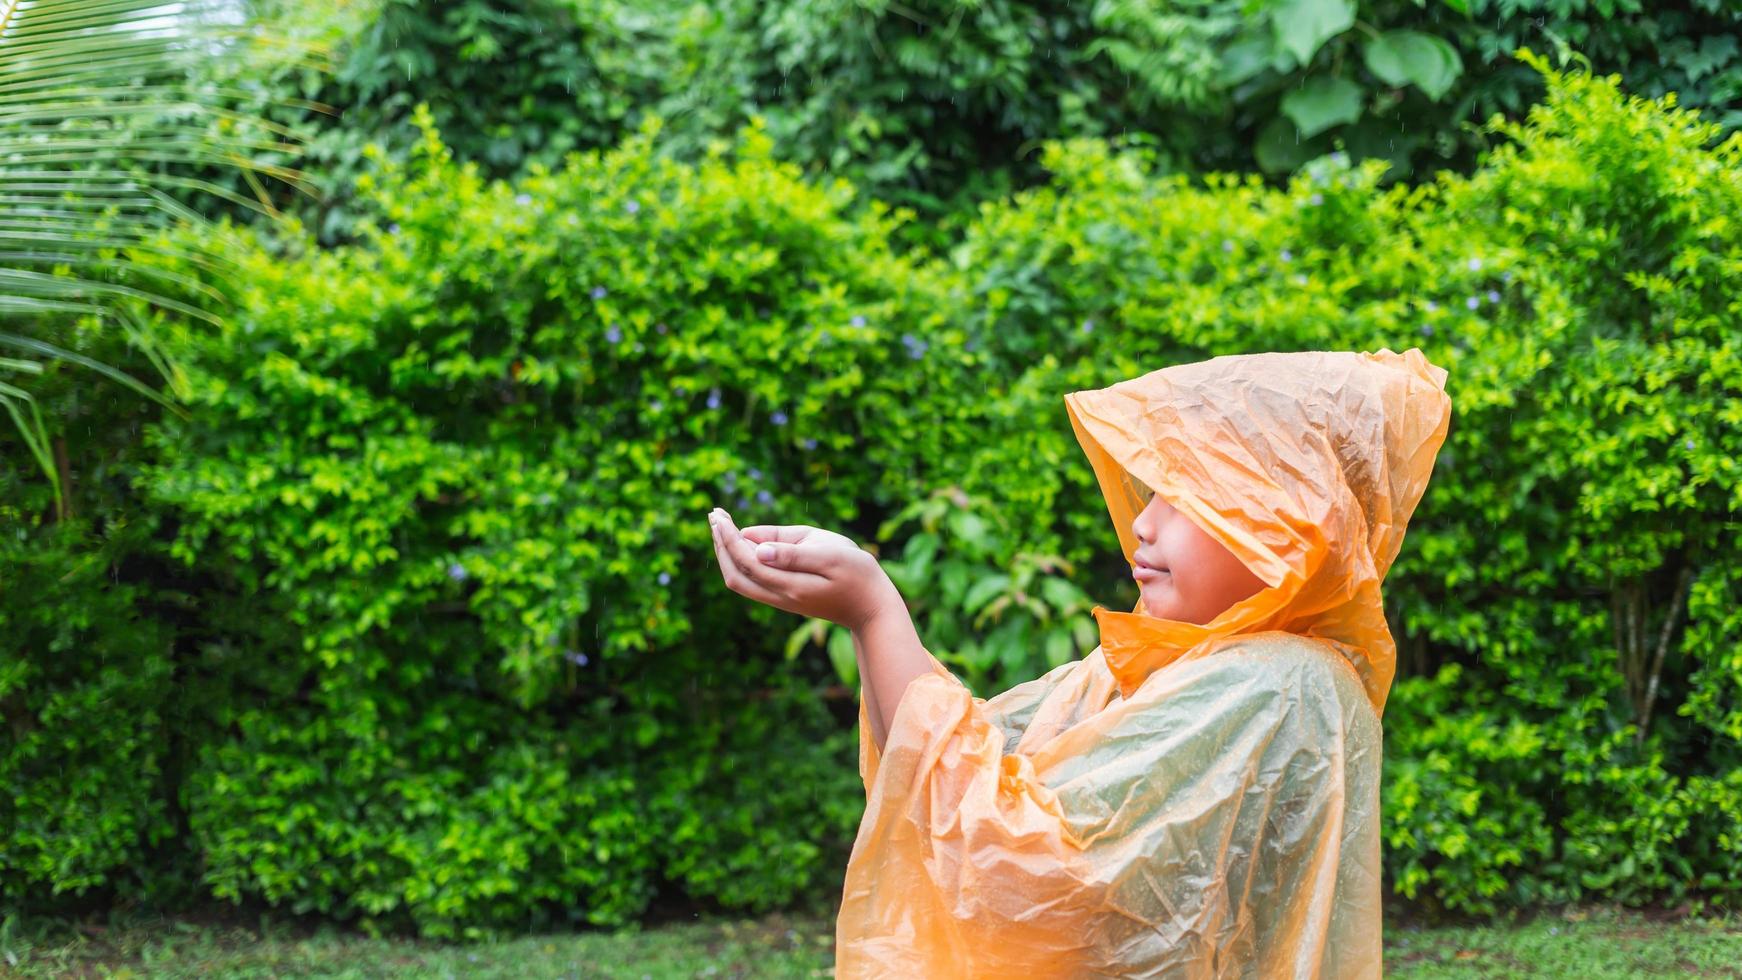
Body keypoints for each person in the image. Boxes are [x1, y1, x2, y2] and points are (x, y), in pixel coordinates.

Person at [706, 347, 1452, 978]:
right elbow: (942, 778)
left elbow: (1015, 867)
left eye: (1188, 496)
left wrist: (873, 609)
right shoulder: (1158, 666)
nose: (1145, 522)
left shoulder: (1282, 683)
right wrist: (868, 620)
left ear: (1293, 527)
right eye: (1151, 490)